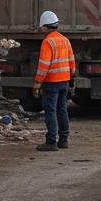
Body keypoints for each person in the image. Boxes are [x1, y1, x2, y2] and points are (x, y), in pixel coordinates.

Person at [32, 10, 74, 152]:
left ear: (45, 26)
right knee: (62, 109)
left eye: (41, 26)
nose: (41, 29)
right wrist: (69, 77)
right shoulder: (65, 40)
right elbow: (71, 63)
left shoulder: (47, 42)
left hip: (51, 82)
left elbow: (43, 66)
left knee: (50, 110)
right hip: (64, 81)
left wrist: (37, 84)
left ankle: (51, 142)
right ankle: (64, 140)